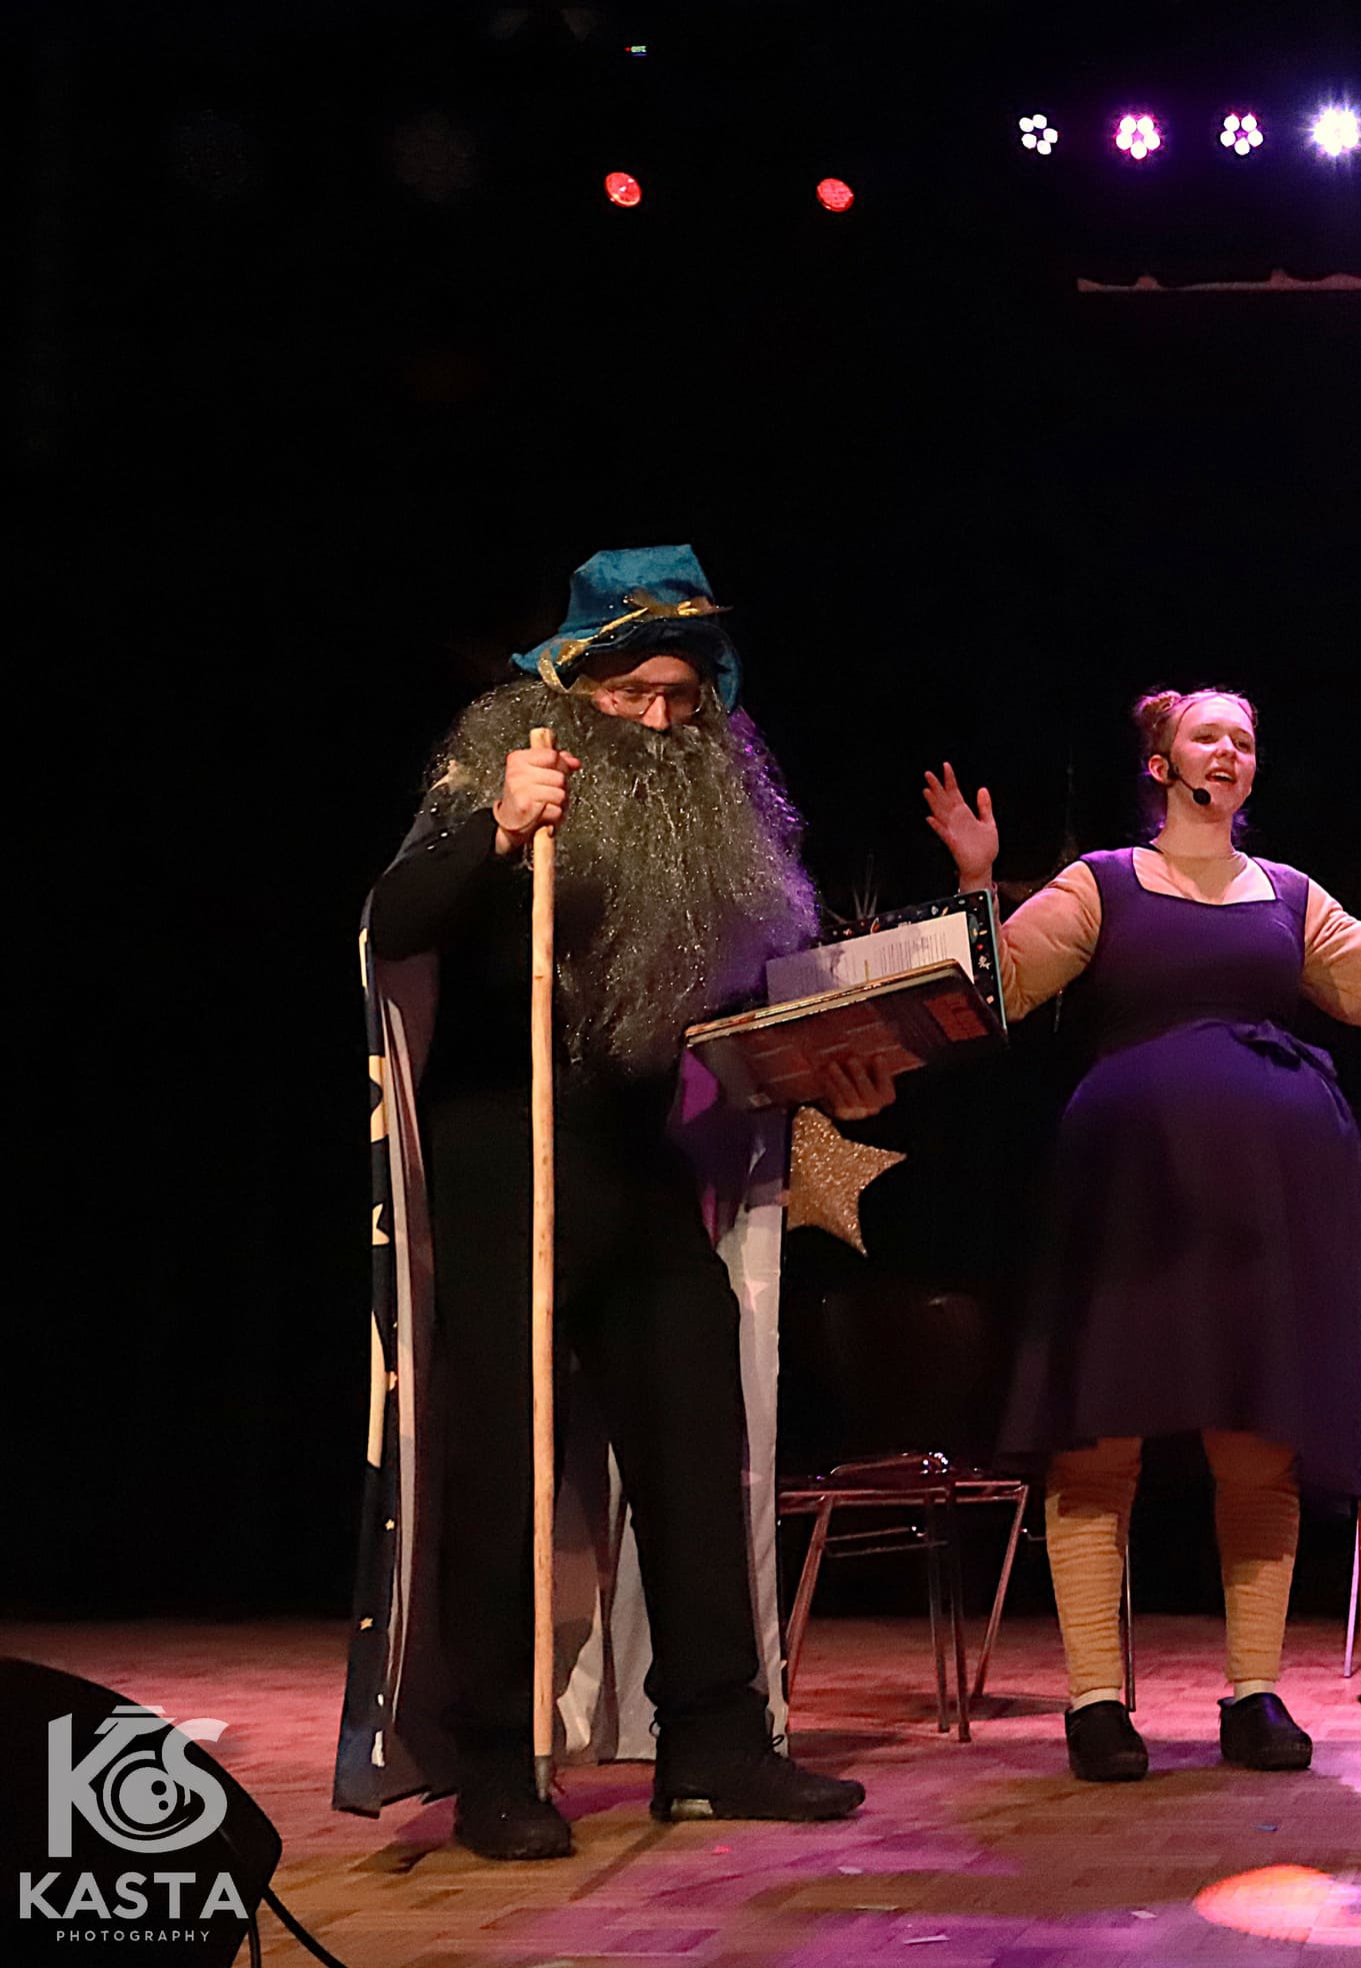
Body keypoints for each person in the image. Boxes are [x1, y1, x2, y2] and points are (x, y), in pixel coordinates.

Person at [353, 547, 872, 1859]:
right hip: (505, 1150)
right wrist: (496, 827)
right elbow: (396, 920)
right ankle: (496, 1765)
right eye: (629, 693)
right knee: (505, 1462)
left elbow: (739, 1006)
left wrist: (827, 1068)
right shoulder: (502, 760)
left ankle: (713, 1744)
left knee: (697, 1442)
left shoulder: (709, 810)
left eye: (680, 697)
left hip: (639, 1162)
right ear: (571, 681)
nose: (655, 718)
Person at [920, 689, 1361, 1781]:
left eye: (1244, 739)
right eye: (1207, 735)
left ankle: (1253, 1694)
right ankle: (1095, 1703)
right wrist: (976, 879)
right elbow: (998, 990)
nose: (1229, 751)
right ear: (1160, 764)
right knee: (1096, 1441)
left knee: (1257, 1444)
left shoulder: (1289, 896)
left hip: (1264, 1208)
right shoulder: (1103, 881)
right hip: (1129, 1198)